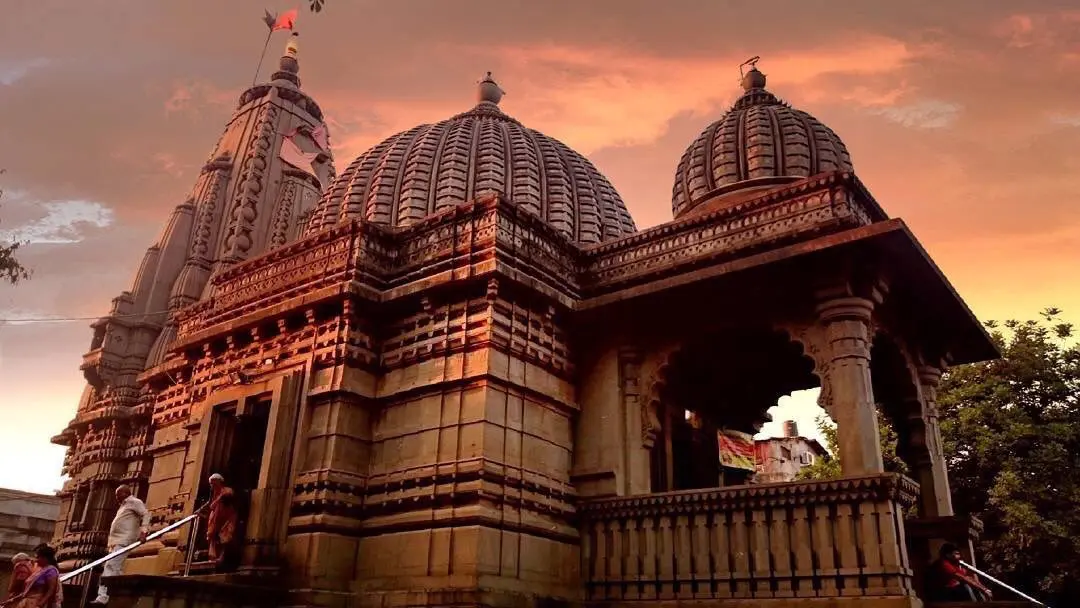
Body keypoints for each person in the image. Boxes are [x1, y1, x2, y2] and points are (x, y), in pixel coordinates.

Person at [88, 485, 150, 607]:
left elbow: (146, 515)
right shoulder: (123, 506)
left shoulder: (134, 502)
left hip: (124, 540)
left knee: (111, 566)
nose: (116, 497)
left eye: (118, 494)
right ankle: (115, 594)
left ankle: (103, 597)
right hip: (116, 541)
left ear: (126, 493)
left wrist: (144, 532)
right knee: (115, 567)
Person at [928, 543, 993, 602]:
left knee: (972, 586)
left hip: (954, 590)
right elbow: (963, 578)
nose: (959, 556)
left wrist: (984, 589)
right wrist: (983, 590)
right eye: (956, 554)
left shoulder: (956, 563)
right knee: (967, 586)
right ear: (948, 555)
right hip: (943, 593)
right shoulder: (943, 563)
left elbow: (968, 577)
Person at [200, 474, 238, 571]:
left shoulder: (225, 490)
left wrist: (219, 497)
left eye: (213, 483)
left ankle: (221, 557)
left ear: (219, 481)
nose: (212, 486)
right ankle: (212, 557)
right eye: (211, 484)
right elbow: (211, 505)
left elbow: (229, 494)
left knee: (224, 537)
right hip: (216, 519)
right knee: (212, 536)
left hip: (226, 518)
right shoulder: (213, 495)